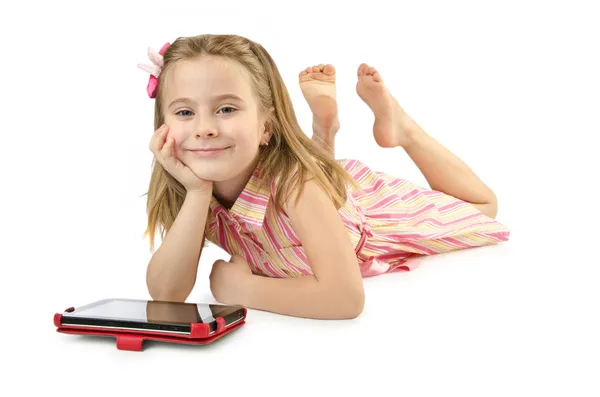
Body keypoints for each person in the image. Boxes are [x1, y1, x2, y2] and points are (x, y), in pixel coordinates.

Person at [137, 34, 510, 320]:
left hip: (363, 213)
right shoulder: (193, 192)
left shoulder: (297, 187)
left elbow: (345, 298)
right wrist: (198, 193)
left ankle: (402, 129)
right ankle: (323, 137)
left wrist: (243, 289)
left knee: (483, 207)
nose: (204, 128)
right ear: (163, 127)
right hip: (312, 204)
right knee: (314, 184)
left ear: (267, 126)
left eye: (227, 108)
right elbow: (166, 296)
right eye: (184, 112)